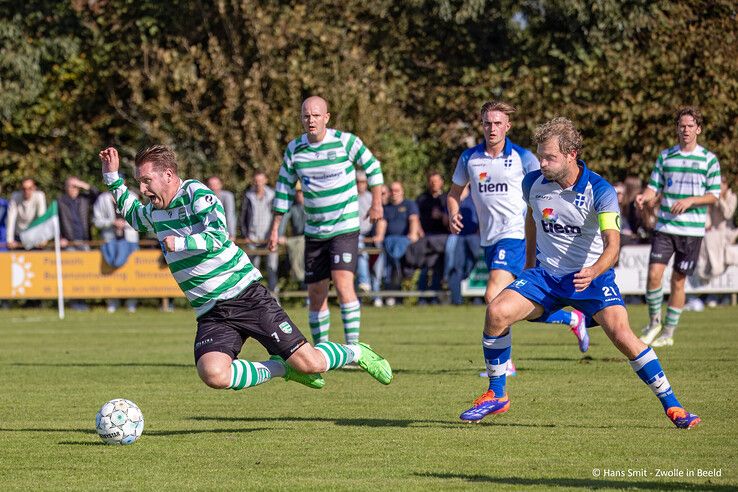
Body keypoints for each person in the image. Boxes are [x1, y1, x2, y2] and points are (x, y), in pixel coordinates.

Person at [458, 117, 700, 429]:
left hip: (592, 278)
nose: (542, 163)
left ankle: (674, 406)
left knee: (624, 337)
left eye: (550, 157)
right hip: (546, 277)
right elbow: (533, 220)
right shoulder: (532, 183)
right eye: (541, 155)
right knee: (496, 312)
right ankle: (496, 393)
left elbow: (613, 245)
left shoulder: (599, 190)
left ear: (572, 154)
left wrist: (595, 270)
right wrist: (531, 264)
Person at [99, 145, 392, 395]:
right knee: (213, 374)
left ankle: (358, 351)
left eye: (147, 181)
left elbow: (218, 236)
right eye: (140, 182)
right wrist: (112, 176)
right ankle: (282, 369)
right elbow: (134, 216)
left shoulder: (195, 193)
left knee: (312, 363)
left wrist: (182, 242)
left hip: (245, 295)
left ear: (168, 175)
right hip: (211, 311)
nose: (143, 188)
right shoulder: (154, 211)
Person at [447, 101, 589, 370]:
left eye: (498, 123)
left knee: (493, 295)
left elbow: (548, 183)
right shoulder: (469, 158)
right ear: (482, 125)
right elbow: (454, 193)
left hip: (514, 233)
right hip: (488, 238)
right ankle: (571, 320)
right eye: (487, 123)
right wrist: (453, 212)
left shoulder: (523, 157)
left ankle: (506, 363)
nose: (492, 128)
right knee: (513, 302)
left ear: (507, 126)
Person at [268, 96, 384, 346]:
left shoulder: (345, 142)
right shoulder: (295, 149)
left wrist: (376, 203)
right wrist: (275, 229)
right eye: (306, 116)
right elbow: (283, 190)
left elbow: (373, 168)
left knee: (343, 285)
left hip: (344, 228)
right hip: (315, 232)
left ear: (327, 118)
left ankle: (353, 349)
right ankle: (322, 351)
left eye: (316, 115)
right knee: (316, 293)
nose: (311, 120)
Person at [636, 106, 721, 347]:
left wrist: (691, 201)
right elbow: (654, 187)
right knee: (654, 274)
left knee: (678, 281)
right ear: (677, 129)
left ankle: (668, 333)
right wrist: (645, 196)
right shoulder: (666, 156)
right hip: (665, 226)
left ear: (699, 129)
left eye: (690, 126)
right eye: (682, 126)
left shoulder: (709, 160)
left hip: (691, 231)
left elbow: (714, 195)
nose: (685, 130)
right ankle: (654, 323)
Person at [374, 181, 422, 306]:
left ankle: (397, 293)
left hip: (405, 243)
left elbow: (414, 220)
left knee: (398, 261)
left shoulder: (409, 204)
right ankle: (385, 294)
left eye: (397, 190)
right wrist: (379, 236)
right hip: (388, 244)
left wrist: (412, 234)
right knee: (384, 265)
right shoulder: (386, 208)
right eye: (392, 190)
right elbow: (382, 224)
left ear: (402, 191)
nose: (394, 193)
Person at [93, 191, 140, 313]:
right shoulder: (102, 198)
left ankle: (131, 302)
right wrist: (111, 222)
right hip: (110, 240)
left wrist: (124, 224)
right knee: (111, 271)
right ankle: (113, 302)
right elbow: (96, 221)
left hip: (129, 240)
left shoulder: (132, 197)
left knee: (131, 272)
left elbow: (140, 219)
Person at [240, 171, 278, 291]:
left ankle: (275, 299)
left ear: (265, 181)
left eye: (261, 181)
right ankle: (254, 300)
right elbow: (242, 217)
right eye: (256, 181)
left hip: (269, 239)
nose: (258, 184)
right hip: (252, 238)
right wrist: (245, 235)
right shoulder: (248, 195)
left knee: (272, 269)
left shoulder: (272, 195)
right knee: (252, 272)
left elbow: (278, 216)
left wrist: (276, 234)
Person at [415, 171, 448, 303]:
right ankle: (422, 297)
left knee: (437, 267)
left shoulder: (446, 199)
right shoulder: (422, 199)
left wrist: (440, 216)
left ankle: (434, 297)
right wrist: (419, 231)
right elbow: (414, 217)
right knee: (424, 267)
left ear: (442, 182)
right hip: (425, 238)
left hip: (441, 238)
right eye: (431, 181)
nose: (434, 184)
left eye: (436, 181)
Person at [447, 185, 481, 305]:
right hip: (458, 237)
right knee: (457, 267)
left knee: (476, 267)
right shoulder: (453, 197)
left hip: (475, 236)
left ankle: (478, 298)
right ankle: (456, 300)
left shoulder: (476, 194)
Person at [6, 178, 46, 249]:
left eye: (29, 188)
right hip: (18, 235)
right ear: (21, 189)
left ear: (34, 188)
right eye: (24, 189)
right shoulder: (15, 197)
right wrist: (10, 240)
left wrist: (42, 238)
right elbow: (10, 219)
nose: (26, 191)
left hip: (34, 235)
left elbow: (41, 217)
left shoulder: (39, 196)